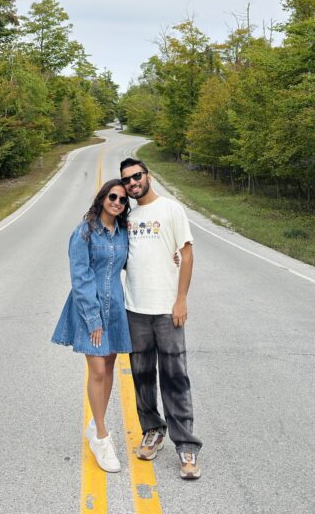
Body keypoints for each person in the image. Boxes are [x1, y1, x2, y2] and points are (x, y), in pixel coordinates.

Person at [120, 157, 202, 481]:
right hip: (135, 309)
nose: (132, 183)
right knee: (141, 376)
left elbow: (187, 254)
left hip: (167, 310)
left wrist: (181, 299)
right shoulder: (128, 216)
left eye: (136, 176)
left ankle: (186, 446)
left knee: (174, 377)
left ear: (148, 176)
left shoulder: (170, 209)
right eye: (127, 180)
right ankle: (152, 430)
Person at [51, 179, 131, 473]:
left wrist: (171, 256)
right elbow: (80, 277)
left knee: (109, 367)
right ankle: (101, 437)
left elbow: (131, 263)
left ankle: (96, 424)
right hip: (89, 309)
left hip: (115, 308)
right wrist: (93, 318)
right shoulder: (84, 232)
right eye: (113, 196)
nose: (117, 202)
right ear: (102, 198)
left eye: (122, 199)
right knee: (97, 369)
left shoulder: (123, 233)